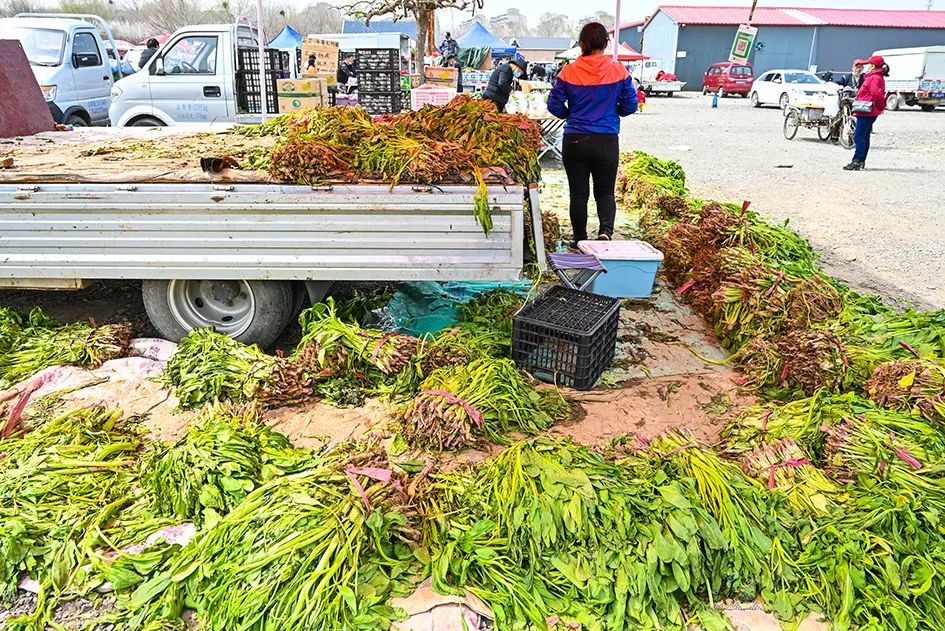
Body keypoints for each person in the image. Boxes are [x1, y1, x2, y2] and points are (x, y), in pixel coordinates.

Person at [547, 22, 637, 244]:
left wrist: (570, 113)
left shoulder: (568, 72)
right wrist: (613, 111)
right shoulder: (619, 71)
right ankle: (605, 232)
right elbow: (630, 105)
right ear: (606, 44)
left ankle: (580, 239)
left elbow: (553, 104)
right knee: (605, 192)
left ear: (582, 45)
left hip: (575, 139)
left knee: (578, 194)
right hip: (606, 140)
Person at [844, 55, 888, 171]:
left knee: (858, 136)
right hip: (870, 111)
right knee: (864, 136)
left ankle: (857, 160)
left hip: (867, 111)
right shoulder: (877, 76)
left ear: (873, 66)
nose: (867, 67)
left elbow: (877, 94)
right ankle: (861, 161)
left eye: (869, 64)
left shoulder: (874, 78)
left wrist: (880, 107)